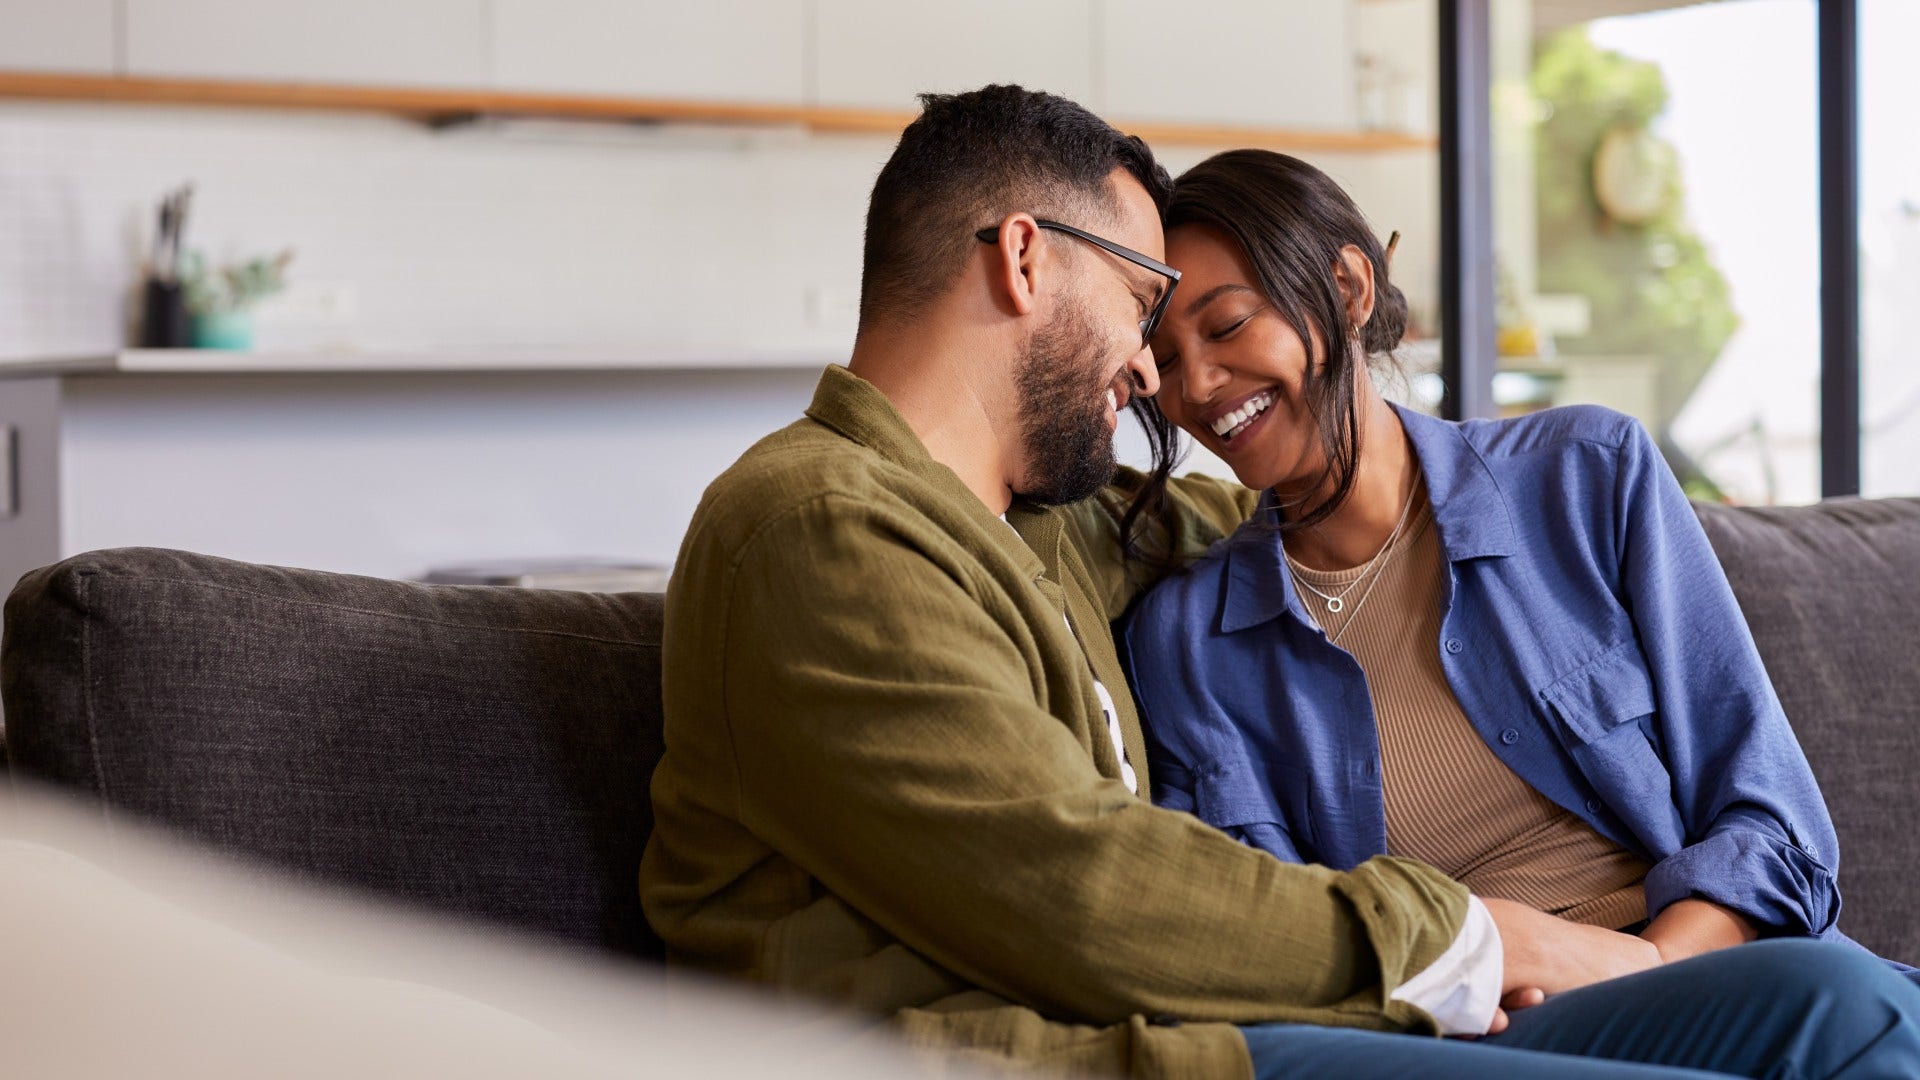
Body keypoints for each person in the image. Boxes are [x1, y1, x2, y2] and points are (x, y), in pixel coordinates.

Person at [641, 87, 1920, 1080]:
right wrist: (1490, 940)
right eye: (1145, 308)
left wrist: (1365, 472)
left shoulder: (1047, 530)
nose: (1160, 379)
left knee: (1846, 1004)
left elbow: (1287, 509)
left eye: (1205, 321)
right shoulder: (822, 528)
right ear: (1027, 260)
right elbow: (1080, 891)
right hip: (1082, 1054)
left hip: (1259, 1023)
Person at [1120, 148, 1916, 989]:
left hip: (1723, 969)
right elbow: (1283, 942)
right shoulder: (1187, 644)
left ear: (1349, 291)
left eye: (1228, 325)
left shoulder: (1587, 475)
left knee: (1851, 1000)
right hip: (1493, 1024)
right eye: (1164, 360)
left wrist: (1643, 964)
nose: (1198, 385)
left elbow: (1772, 818)